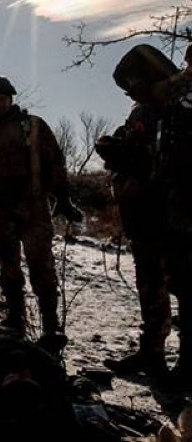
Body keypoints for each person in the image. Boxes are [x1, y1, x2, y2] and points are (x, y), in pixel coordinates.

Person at [0, 76, 82, 340]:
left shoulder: (33, 126)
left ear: (11, 98)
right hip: (0, 208)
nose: (0, 104)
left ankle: (50, 324)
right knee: (9, 268)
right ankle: (16, 318)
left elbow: (55, 163)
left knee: (42, 266)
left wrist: (63, 199)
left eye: (4, 98)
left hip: (34, 206)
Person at [99, 44, 192, 381]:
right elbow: (132, 147)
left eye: (132, 84)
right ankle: (152, 353)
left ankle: (188, 363)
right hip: (145, 216)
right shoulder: (141, 112)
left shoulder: (182, 104)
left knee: (185, 285)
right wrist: (116, 149)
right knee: (150, 285)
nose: (130, 92)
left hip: (180, 215)